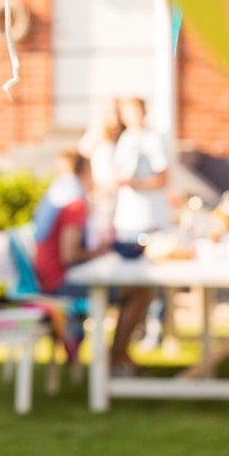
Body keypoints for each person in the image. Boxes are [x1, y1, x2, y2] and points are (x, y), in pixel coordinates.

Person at [34, 151, 154, 374]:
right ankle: (113, 361)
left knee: (136, 288)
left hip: (51, 276)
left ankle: (119, 356)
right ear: (86, 172)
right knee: (140, 291)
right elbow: (69, 255)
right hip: (58, 282)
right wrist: (101, 251)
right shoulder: (74, 204)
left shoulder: (60, 195)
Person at [112, 97, 170, 241]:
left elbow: (162, 180)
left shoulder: (154, 138)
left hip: (150, 219)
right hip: (127, 220)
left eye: (135, 110)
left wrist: (133, 183)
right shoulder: (124, 138)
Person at [77, 98, 124, 235]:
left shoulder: (123, 136)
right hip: (101, 195)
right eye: (110, 112)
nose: (114, 116)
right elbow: (82, 161)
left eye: (117, 111)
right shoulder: (96, 134)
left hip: (120, 194)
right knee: (102, 231)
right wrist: (93, 187)